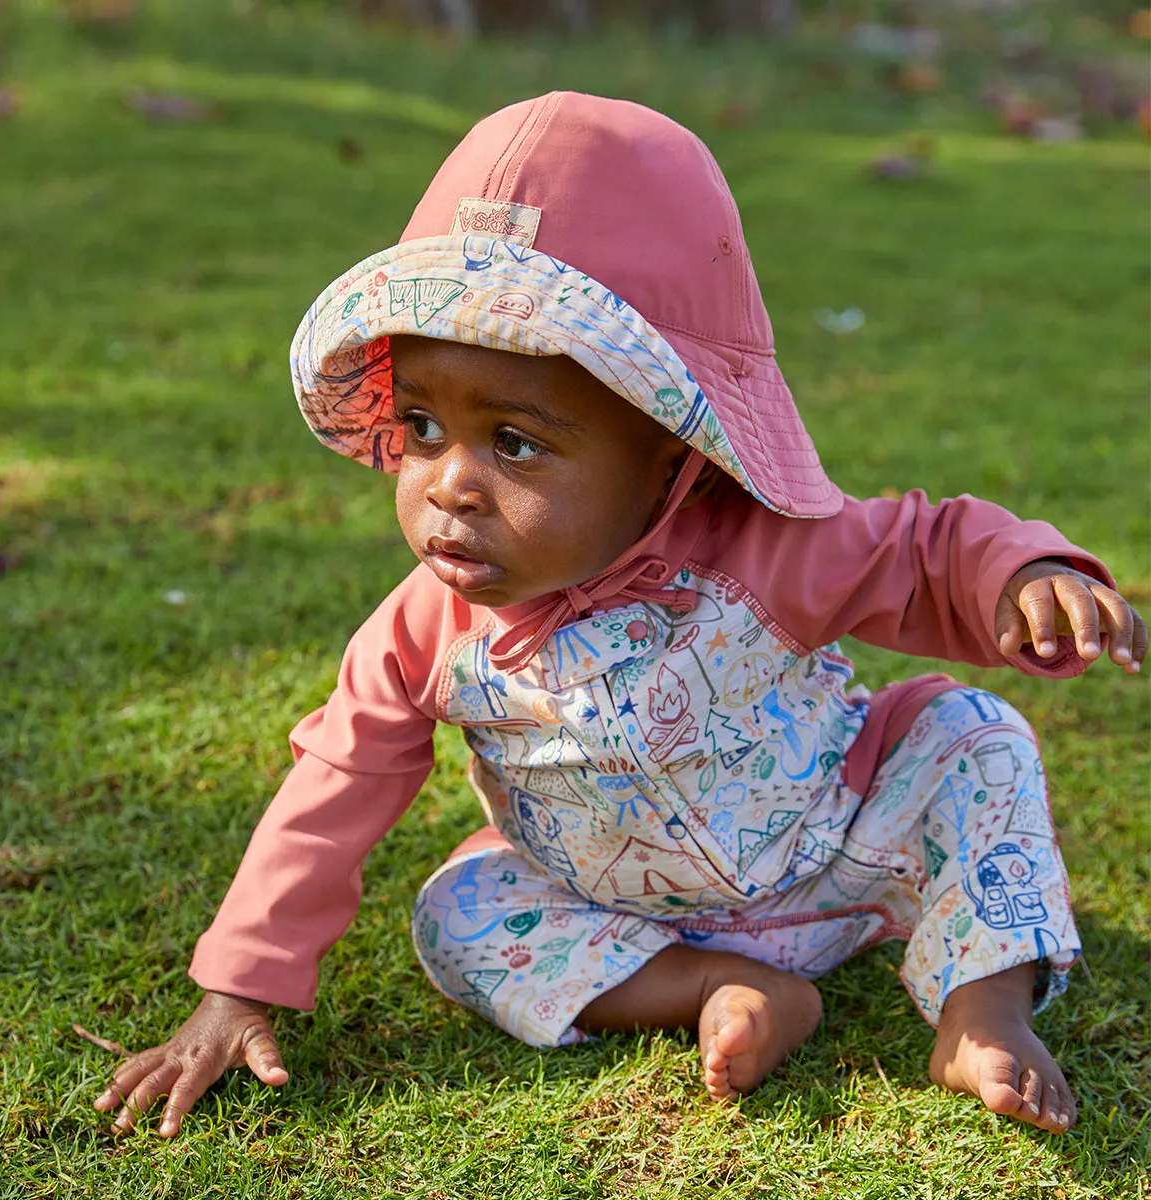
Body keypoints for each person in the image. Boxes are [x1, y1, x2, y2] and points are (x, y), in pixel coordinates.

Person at [93, 92, 1146, 1140]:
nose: (450, 484)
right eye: (420, 426)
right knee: (458, 914)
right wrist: (240, 989)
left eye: (513, 442)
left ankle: (980, 1008)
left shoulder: (762, 549)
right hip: (617, 914)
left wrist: (1022, 574)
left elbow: (923, 547)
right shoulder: (423, 634)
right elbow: (333, 789)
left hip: (850, 853)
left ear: (666, 453)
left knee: (974, 737)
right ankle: (719, 987)